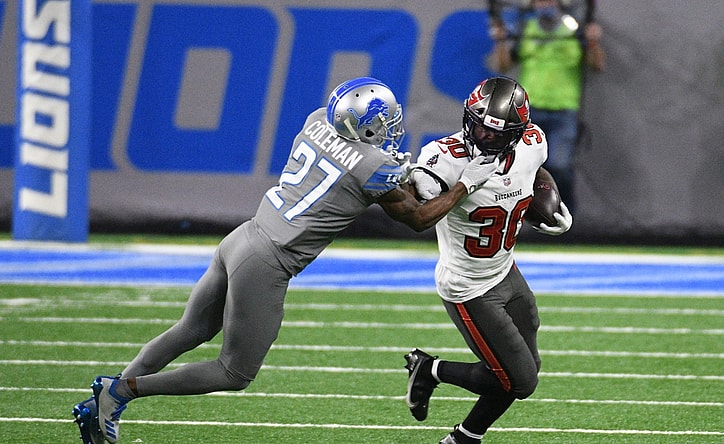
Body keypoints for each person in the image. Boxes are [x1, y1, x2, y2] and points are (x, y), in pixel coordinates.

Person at [71, 76, 502, 444]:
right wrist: (463, 185)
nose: (391, 128)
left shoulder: (318, 120)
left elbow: (353, 168)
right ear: (366, 129)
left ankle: (101, 406)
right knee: (234, 371)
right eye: (383, 123)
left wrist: (396, 171)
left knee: (190, 329)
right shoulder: (374, 166)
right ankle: (122, 391)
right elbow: (418, 217)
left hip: (243, 236)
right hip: (268, 262)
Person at [403, 76, 572, 443]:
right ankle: (433, 371)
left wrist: (547, 205)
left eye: (497, 134)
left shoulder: (532, 142)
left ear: (517, 133)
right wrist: (466, 183)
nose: (485, 137)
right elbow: (419, 215)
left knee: (526, 366)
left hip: (506, 270)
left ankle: (462, 433)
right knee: (520, 380)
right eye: (479, 127)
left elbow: (534, 172)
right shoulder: (443, 158)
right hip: (469, 286)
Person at [489, 0, 605, 211]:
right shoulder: (525, 28)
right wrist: (501, 41)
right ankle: (527, 217)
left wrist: (593, 42)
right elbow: (502, 65)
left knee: (560, 166)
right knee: (522, 168)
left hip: (564, 109)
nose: (545, 4)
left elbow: (597, 65)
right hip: (528, 112)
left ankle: (565, 211)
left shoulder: (575, 28)